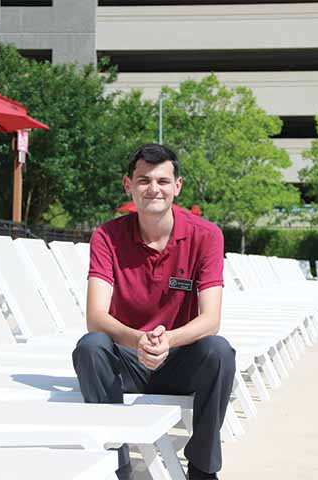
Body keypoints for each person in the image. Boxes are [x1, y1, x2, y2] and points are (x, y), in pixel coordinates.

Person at [72, 143, 236, 480]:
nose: (153, 189)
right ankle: (116, 466)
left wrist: (169, 340)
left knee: (219, 352)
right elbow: (96, 316)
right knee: (90, 346)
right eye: (143, 180)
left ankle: (203, 468)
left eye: (162, 181)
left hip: (180, 361)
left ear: (177, 187)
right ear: (127, 185)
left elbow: (211, 319)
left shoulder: (207, 236)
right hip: (128, 360)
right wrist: (139, 341)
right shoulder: (107, 236)